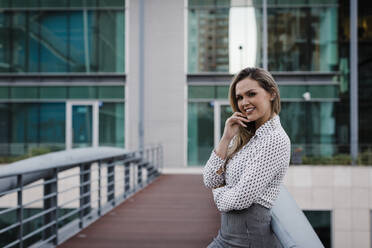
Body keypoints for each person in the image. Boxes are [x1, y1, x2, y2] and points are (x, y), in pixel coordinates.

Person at [203, 67, 290, 248]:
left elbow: (241, 198)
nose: (244, 102)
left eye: (251, 94)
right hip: (225, 237)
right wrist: (226, 137)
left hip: (248, 241)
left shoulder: (275, 140)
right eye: (240, 97)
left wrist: (219, 193)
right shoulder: (245, 135)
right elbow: (210, 179)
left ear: (271, 94)